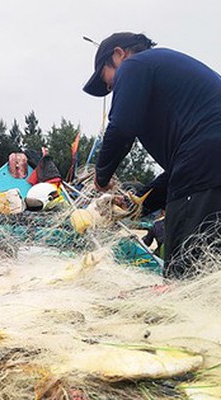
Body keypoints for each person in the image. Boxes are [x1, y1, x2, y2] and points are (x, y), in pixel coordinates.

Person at [83, 32, 221, 278]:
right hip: (207, 168)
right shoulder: (177, 83)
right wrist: (137, 204)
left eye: (111, 85)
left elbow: (121, 128)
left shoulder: (135, 65)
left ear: (118, 54)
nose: (111, 89)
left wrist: (101, 177)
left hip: (205, 166)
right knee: (212, 270)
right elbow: (184, 170)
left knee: (187, 275)